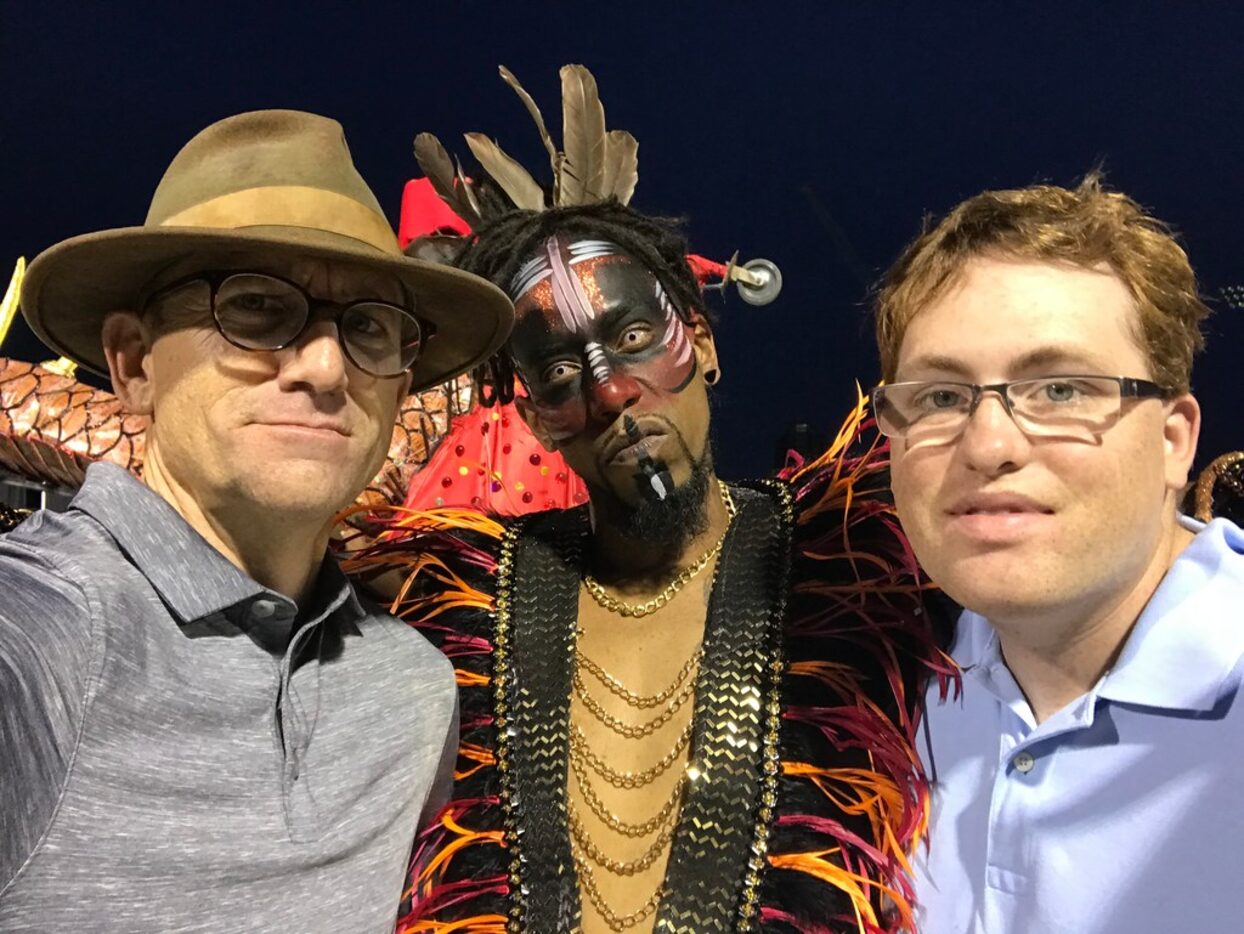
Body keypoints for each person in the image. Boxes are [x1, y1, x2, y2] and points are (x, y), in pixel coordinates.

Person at [366, 65, 948, 934]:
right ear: (533, 413)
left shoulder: (855, 564)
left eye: (634, 337)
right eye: (561, 371)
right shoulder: (462, 600)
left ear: (702, 340)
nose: (610, 392)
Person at [0, 109, 513, 932]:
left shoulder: (413, 689)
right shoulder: (40, 635)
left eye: (370, 326)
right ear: (134, 364)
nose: (323, 367)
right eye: (256, 309)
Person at [871, 175, 1244, 933]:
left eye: (1062, 390)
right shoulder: (889, 699)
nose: (989, 445)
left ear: (1175, 441)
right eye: (941, 398)